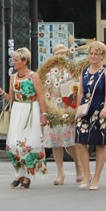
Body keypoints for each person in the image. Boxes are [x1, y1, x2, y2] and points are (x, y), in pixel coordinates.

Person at [0, 47, 47, 189]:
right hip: (17, 110)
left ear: (25, 61)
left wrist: (44, 114)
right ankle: (19, 172)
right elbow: (11, 98)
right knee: (13, 144)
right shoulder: (13, 77)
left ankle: (28, 175)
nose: (14, 62)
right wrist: (0, 91)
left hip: (31, 109)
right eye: (14, 60)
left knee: (28, 144)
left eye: (16, 60)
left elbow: (41, 96)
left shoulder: (33, 76)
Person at [73, 41, 106, 189]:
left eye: (96, 54)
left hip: (100, 109)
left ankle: (96, 178)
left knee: (99, 144)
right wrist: (78, 110)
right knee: (80, 142)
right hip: (86, 110)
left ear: (102, 55)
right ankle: (86, 175)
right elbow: (81, 92)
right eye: (91, 53)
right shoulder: (84, 71)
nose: (93, 56)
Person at [37, 49, 81, 185]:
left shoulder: (73, 71)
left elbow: (78, 90)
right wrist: (44, 110)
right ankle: (60, 172)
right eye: (56, 54)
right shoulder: (48, 72)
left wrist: (75, 110)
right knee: (55, 142)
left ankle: (79, 167)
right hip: (53, 109)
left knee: (70, 141)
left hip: (68, 108)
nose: (59, 57)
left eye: (62, 54)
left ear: (67, 56)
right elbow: (43, 92)